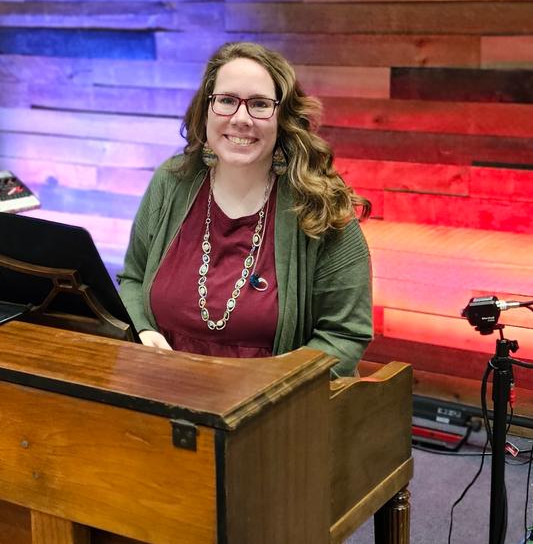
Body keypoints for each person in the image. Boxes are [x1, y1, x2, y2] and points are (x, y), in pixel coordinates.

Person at [118, 41, 372, 377]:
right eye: (226, 100)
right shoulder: (171, 180)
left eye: (259, 104)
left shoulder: (320, 205)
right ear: (206, 109)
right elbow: (133, 279)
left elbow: (344, 335)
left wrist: (271, 391)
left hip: (274, 404)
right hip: (164, 390)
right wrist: (142, 330)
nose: (241, 119)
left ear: (283, 118)